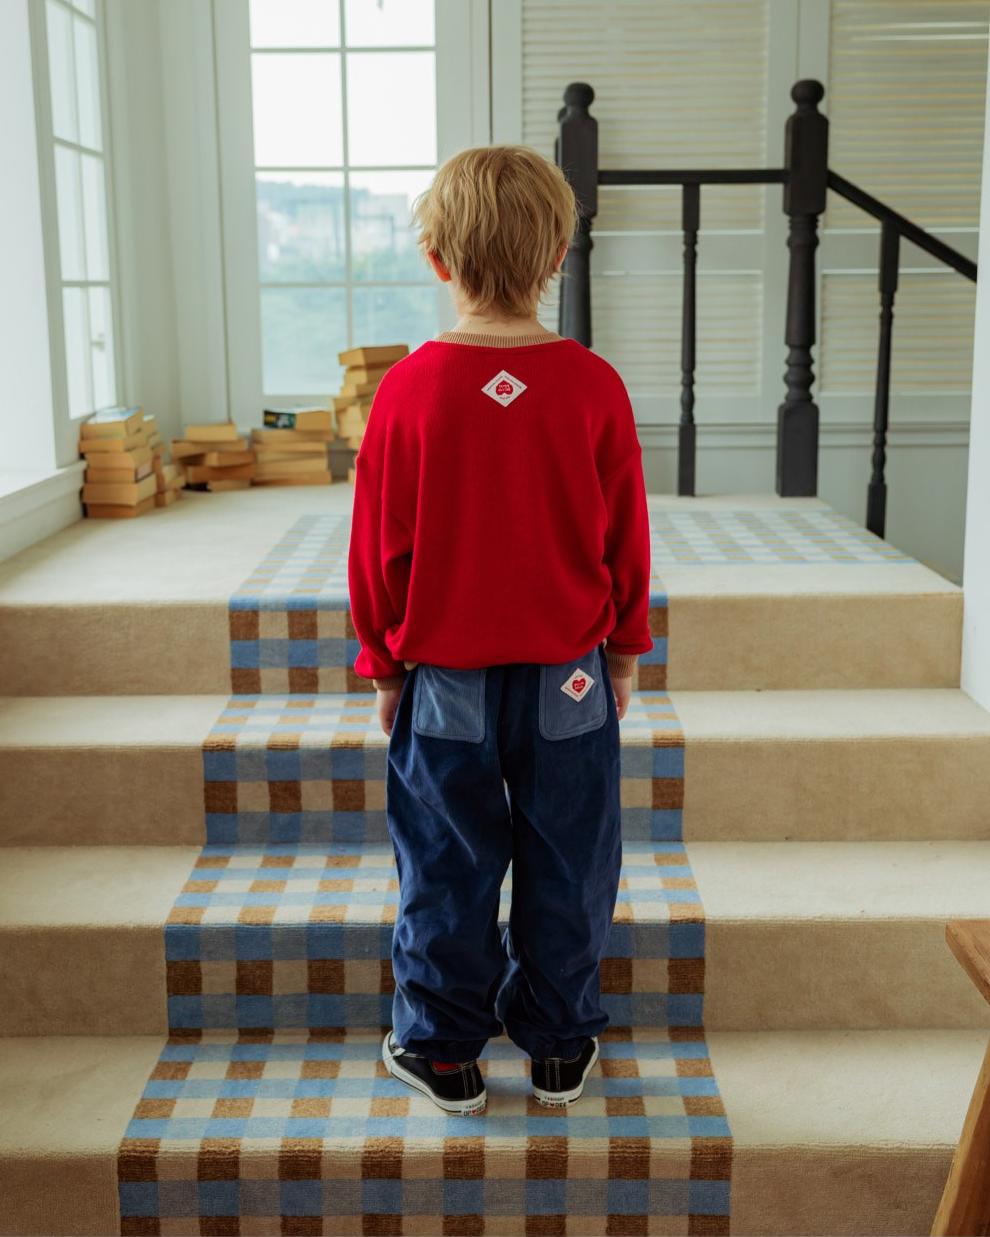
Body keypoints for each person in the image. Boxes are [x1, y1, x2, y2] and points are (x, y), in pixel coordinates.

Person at [346, 144, 653, 1117]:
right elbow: (626, 538)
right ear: (558, 251)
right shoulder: (594, 385)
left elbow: (378, 548)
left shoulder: (406, 391)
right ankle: (560, 1041)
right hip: (569, 674)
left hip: (445, 677)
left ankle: (443, 1049)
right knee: (570, 853)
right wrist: (625, 649)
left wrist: (382, 660)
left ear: (437, 259)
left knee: (447, 857)